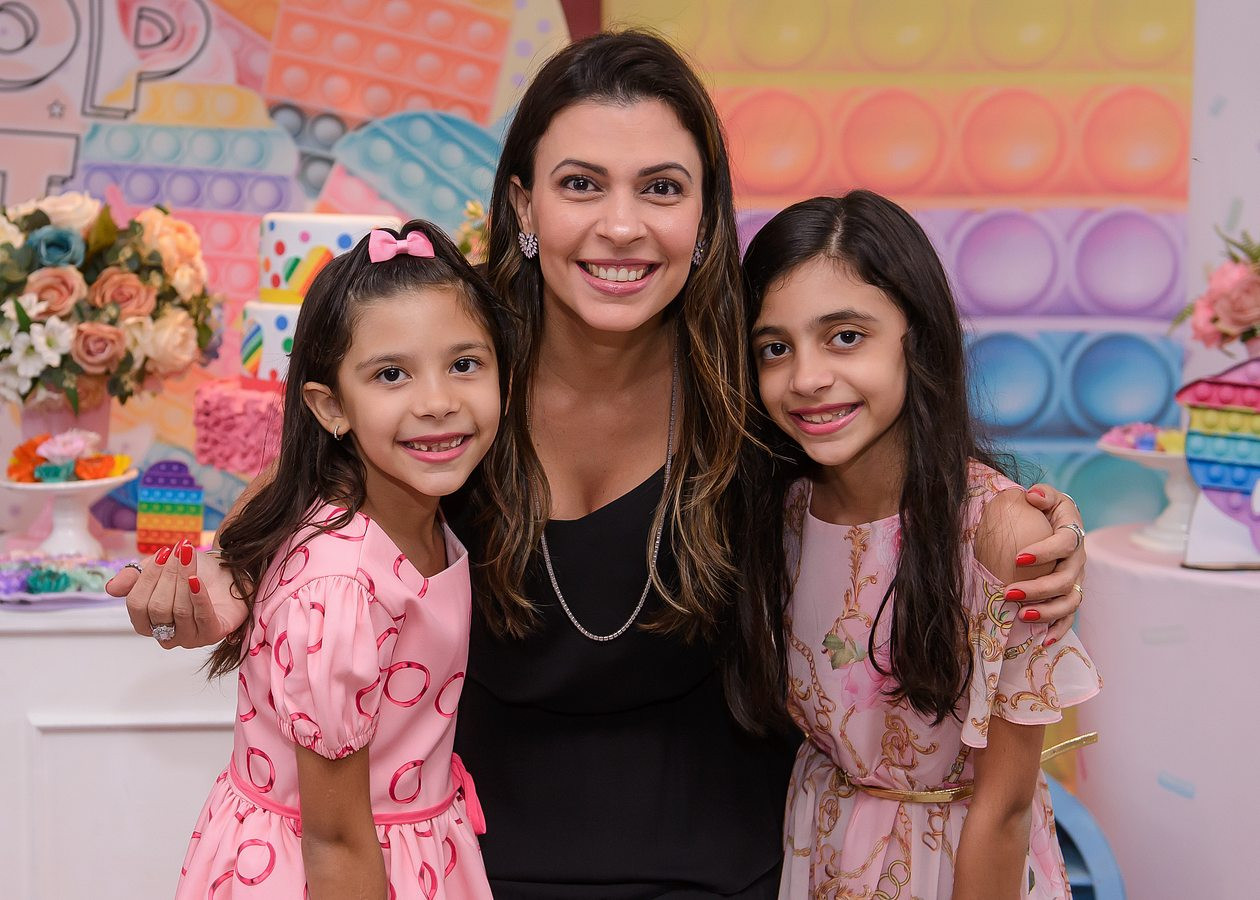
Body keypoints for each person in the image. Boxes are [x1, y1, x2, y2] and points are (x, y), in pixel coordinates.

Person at [109, 31, 1091, 899]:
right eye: (582, 184)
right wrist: (228, 570)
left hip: (728, 871)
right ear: (523, 202)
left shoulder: (756, 382)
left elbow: (910, 481)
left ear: (705, 216)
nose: (621, 226)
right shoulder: (458, 373)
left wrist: (1033, 527)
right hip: (467, 865)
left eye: (661, 188)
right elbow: (319, 489)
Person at [740, 191, 1101, 899]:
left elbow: (1004, 811)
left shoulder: (997, 532)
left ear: (918, 336)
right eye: (775, 348)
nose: (807, 378)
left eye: (846, 336)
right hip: (819, 851)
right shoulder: (781, 511)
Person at [172, 220, 514, 899]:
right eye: (391, 374)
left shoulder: (424, 519)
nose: (438, 402)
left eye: (464, 364)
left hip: (410, 846)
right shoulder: (340, 589)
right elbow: (334, 840)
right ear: (331, 408)